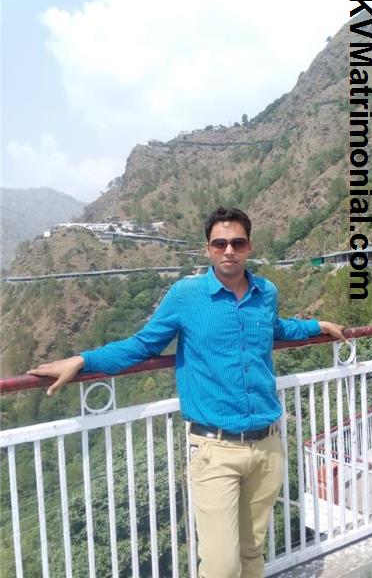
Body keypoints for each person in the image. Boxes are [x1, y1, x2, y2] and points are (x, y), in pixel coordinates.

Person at [29, 207, 345, 578]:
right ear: (208, 249)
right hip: (215, 450)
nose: (229, 250)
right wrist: (83, 359)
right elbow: (144, 344)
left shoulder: (266, 292)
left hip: (267, 445)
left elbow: (275, 328)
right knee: (221, 565)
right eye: (220, 244)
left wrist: (315, 326)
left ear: (249, 246)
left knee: (252, 552)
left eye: (237, 243)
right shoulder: (186, 295)